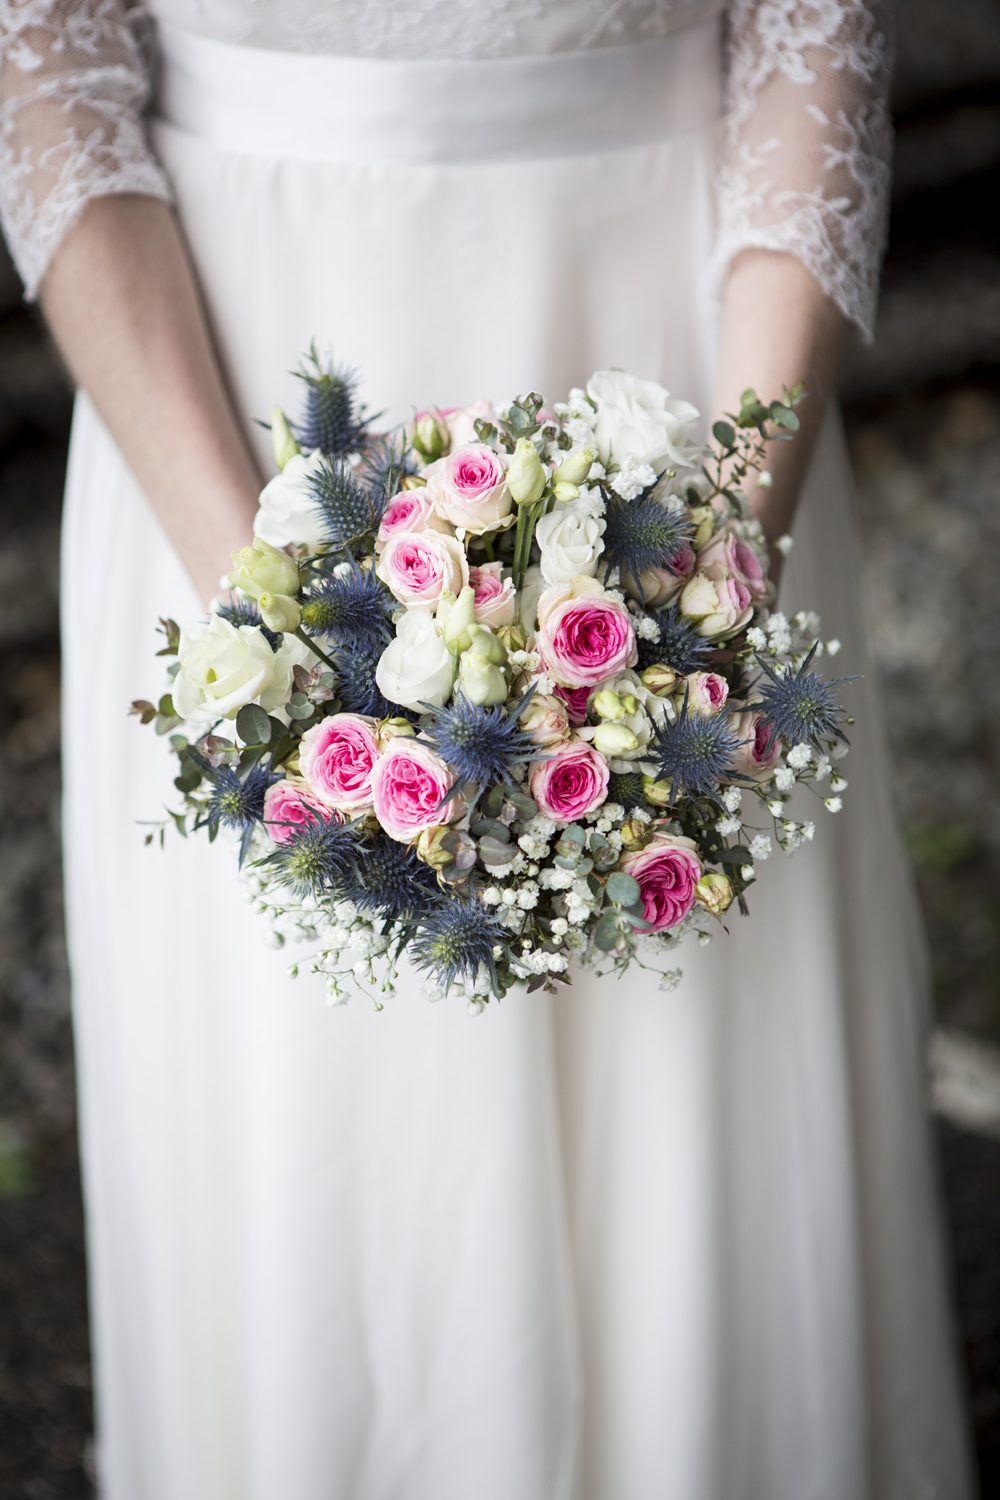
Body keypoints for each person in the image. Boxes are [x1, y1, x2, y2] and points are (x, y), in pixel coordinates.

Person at [0, 2, 976, 1496]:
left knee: (691, 1095)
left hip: (683, 383)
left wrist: (712, 571)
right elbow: (52, 80)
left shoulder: (711, 512)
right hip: (229, 408)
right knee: (321, 1125)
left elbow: (811, 39)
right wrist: (265, 623)